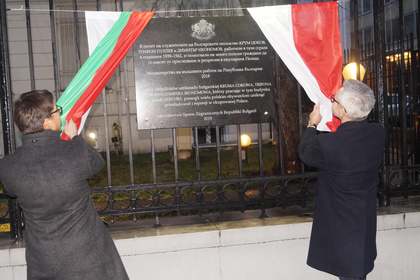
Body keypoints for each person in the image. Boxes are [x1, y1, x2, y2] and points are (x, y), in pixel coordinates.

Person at [0, 90, 128, 280]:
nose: (61, 113)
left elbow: (11, 191)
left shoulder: (8, 166)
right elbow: (97, 163)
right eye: (57, 110)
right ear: (46, 122)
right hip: (89, 261)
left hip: (44, 263)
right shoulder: (73, 151)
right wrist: (74, 138)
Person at [299, 80, 385, 280]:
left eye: (334, 100)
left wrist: (312, 123)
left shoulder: (332, 145)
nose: (332, 102)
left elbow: (306, 152)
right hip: (363, 225)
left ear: (343, 110)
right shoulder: (378, 133)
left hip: (342, 230)